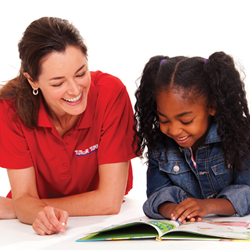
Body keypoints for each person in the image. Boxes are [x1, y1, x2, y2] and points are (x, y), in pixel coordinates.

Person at [0, 17, 136, 235]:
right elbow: (24, 198)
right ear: (32, 81)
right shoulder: (9, 107)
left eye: (81, 73)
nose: (74, 90)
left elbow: (110, 202)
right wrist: (26, 207)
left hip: (101, 224)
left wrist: (24, 208)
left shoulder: (111, 94)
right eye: (58, 83)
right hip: (39, 233)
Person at [133, 52, 250, 223]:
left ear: (212, 107)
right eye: (164, 119)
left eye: (186, 121)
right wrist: (175, 210)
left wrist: (209, 205)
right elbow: (156, 194)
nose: (173, 130)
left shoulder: (239, 134)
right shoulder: (160, 143)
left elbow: (247, 191)